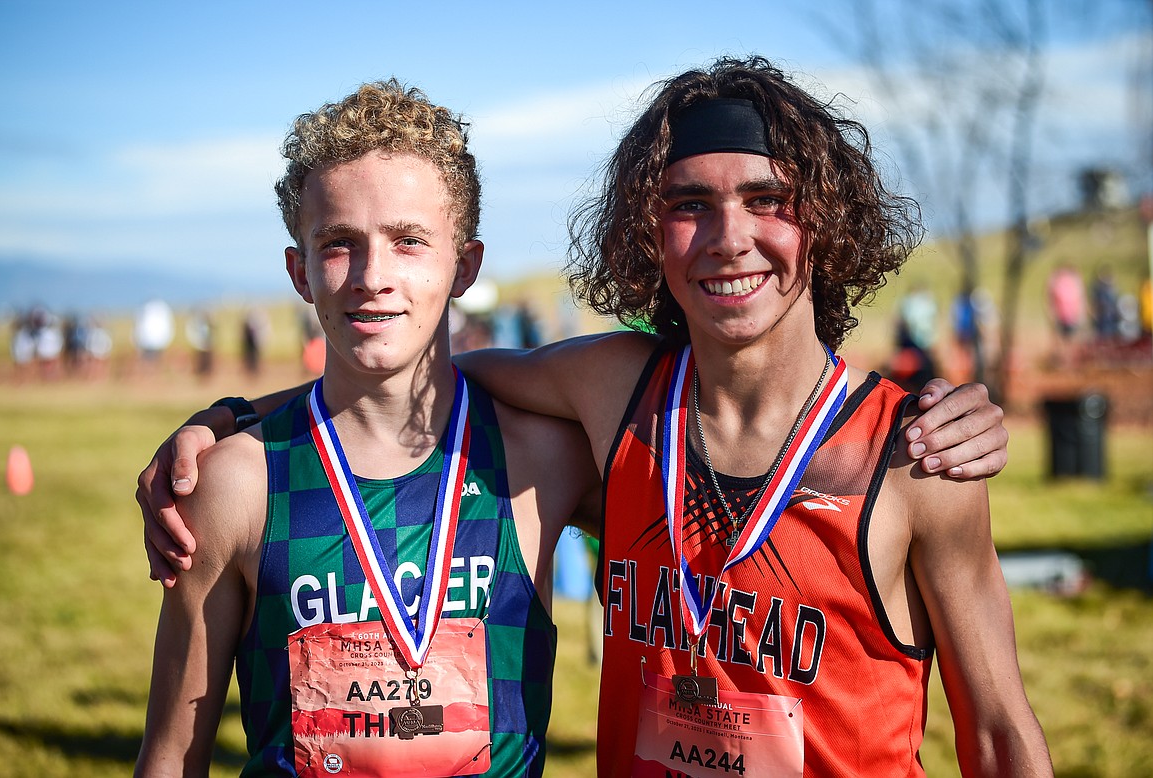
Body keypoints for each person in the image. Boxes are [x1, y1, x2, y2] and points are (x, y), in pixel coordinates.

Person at [136, 61, 1017, 774]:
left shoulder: (915, 456)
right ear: (647, 232)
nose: (728, 236)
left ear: (823, 220)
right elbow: (400, 378)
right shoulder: (615, 397)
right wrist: (233, 422)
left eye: (765, 198)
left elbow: (1000, 738)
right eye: (687, 205)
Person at [134, 80, 599, 777]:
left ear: (464, 266)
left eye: (409, 241)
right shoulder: (235, 484)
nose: (372, 276)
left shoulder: (546, 461)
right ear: (299, 272)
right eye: (340, 244)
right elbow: (170, 759)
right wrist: (228, 423)